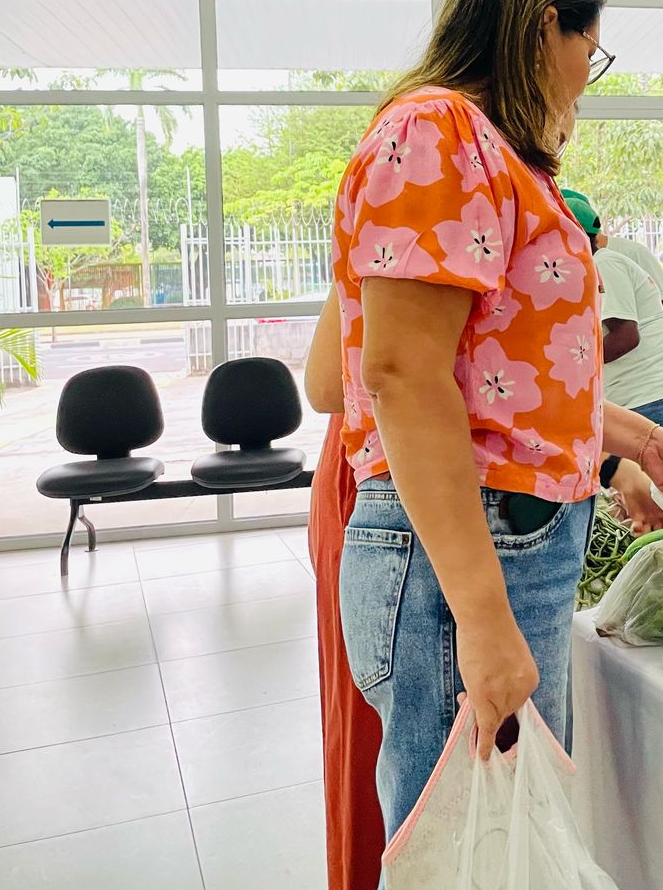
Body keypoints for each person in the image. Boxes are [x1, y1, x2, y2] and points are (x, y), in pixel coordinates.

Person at [331, 0, 663, 841]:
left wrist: (621, 435)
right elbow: (402, 374)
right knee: (471, 843)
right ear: (547, 26)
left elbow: (488, 378)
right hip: (465, 548)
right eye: (591, 50)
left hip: (500, 532)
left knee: (507, 835)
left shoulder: (489, 149)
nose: (588, 76)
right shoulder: (439, 131)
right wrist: (483, 618)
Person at [302, 298, 385, 890]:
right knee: (369, 730)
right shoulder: (405, 206)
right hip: (377, 477)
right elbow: (331, 383)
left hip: (423, 474)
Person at [564, 189, 663, 435]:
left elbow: (626, 336)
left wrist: (571, 365)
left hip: (653, 395)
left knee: (655, 474)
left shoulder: (604, 264)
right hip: (645, 396)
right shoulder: (588, 269)